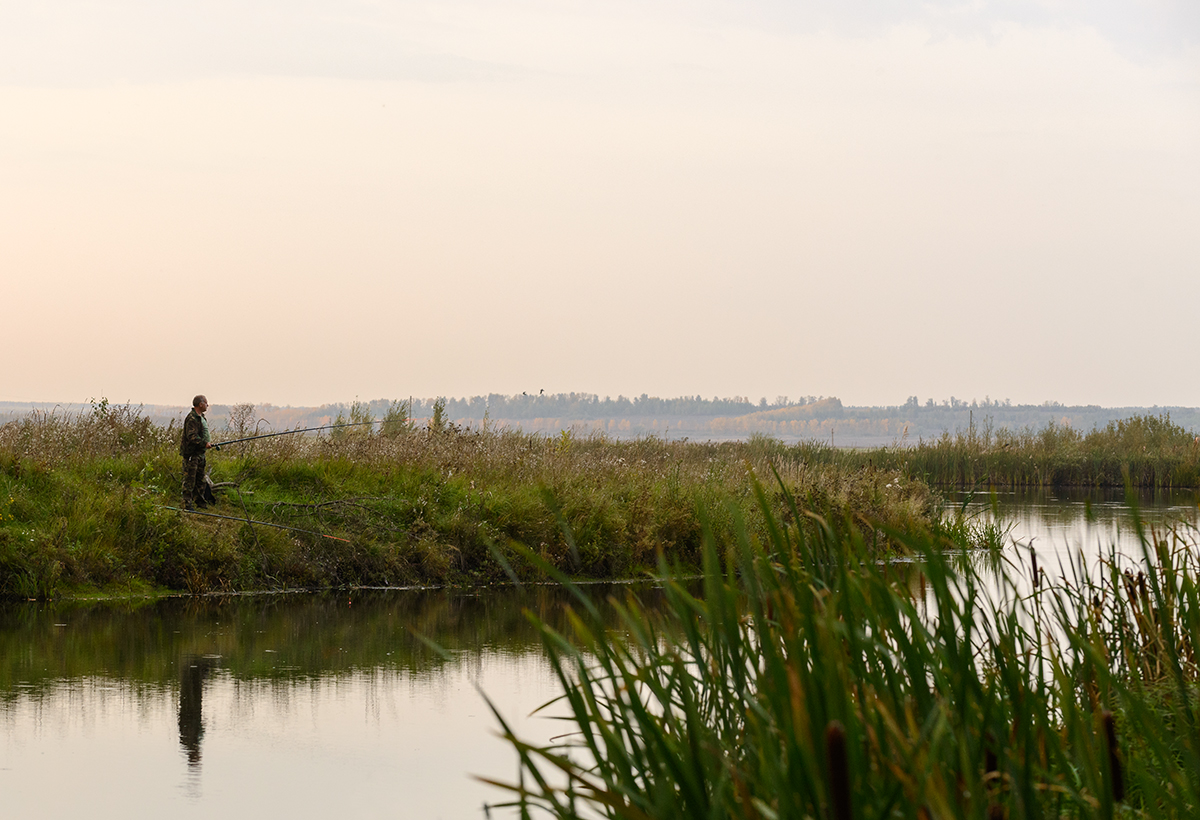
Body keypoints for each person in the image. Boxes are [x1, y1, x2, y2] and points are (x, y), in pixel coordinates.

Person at [181, 395, 215, 510]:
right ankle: (187, 504)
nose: (207, 405)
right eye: (206, 402)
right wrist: (204, 443)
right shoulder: (192, 418)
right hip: (192, 455)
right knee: (189, 480)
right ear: (200, 404)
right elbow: (192, 437)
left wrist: (206, 444)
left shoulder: (202, 417)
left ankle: (200, 502)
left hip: (201, 454)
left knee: (200, 480)